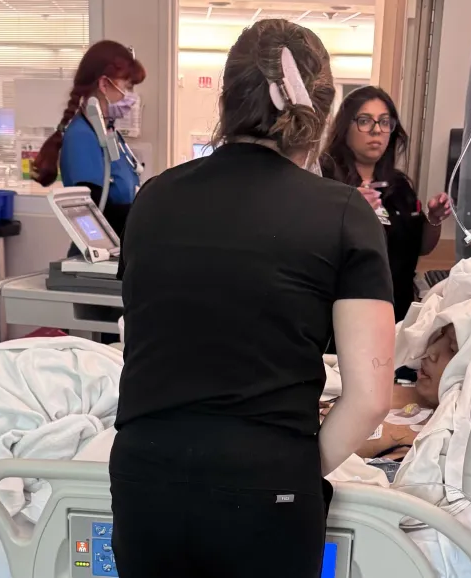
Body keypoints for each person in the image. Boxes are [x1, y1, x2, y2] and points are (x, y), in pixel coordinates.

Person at [109, 19, 395, 578]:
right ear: (323, 109)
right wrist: (287, 468)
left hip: (145, 478)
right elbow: (370, 398)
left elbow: (149, 339)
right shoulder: (341, 213)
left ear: (225, 99)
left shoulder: (154, 197)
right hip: (266, 490)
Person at [321, 86, 452, 324]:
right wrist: (352, 216)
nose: (376, 130)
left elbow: (420, 248)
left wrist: (433, 219)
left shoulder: (400, 187)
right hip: (342, 316)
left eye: (384, 122)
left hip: (396, 313)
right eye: (364, 121)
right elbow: (316, 251)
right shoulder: (326, 183)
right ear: (344, 128)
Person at [33, 40, 146, 241]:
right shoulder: (82, 137)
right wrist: (149, 217)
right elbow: (94, 216)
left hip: (119, 251)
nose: (132, 97)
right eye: (127, 87)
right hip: (98, 257)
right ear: (104, 84)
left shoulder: (109, 132)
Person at [320, 324, 456, 466]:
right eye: (440, 335)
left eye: (452, 349)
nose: (431, 351)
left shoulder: (426, 444)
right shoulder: (406, 376)